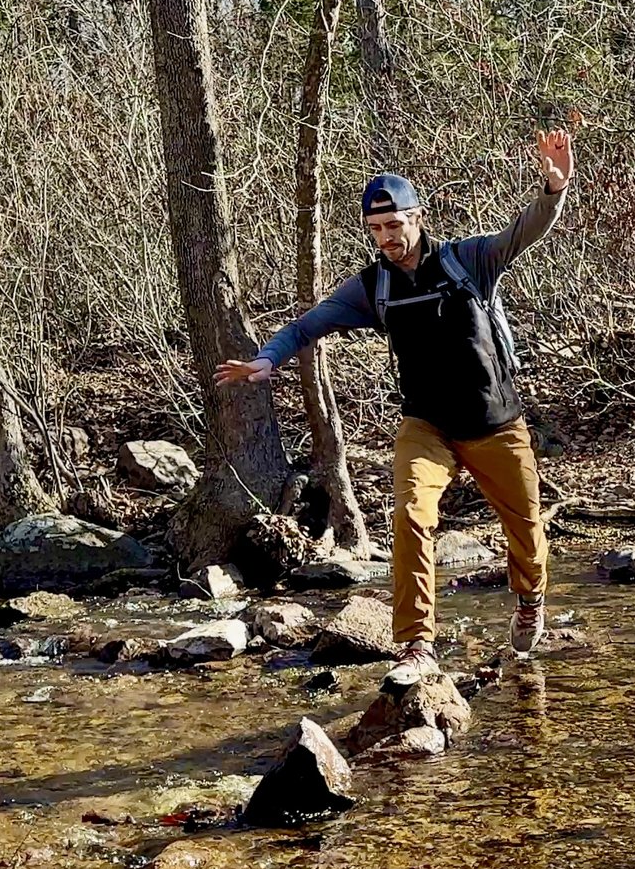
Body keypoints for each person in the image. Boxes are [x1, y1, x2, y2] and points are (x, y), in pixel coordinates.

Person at [214, 129, 575, 669]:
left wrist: (553, 189)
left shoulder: (467, 261)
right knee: (409, 514)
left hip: (495, 423)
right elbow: (309, 325)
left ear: (417, 217)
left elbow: (523, 233)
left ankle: (530, 602)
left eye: (394, 224)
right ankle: (416, 644)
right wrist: (268, 360)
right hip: (426, 425)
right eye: (376, 229)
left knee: (525, 527)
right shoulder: (372, 288)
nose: (386, 237)